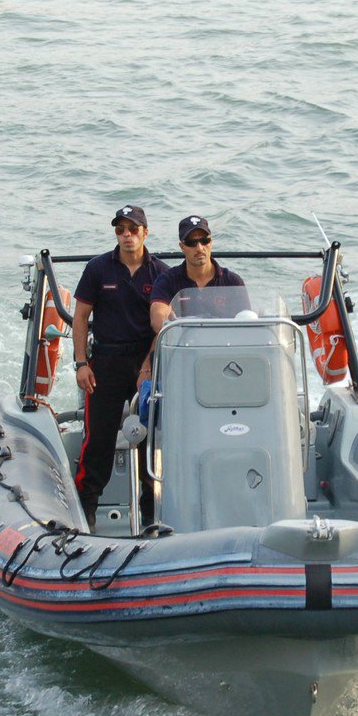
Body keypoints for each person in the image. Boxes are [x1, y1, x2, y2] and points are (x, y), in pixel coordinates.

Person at [72, 205, 168, 520]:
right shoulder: (98, 269)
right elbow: (81, 318)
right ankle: (86, 506)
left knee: (149, 438)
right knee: (98, 439)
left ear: (145, 232)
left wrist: (148, 367)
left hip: (147, 364)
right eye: (120, 229)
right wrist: (81, 363)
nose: (126, 235)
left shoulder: (162, 274)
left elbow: (166, 326)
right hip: (105, 363)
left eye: (133, 229)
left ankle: (151, 511)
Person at [144, 216, 247, 385]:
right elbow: (157, 319)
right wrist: (165, 314)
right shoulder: (168, 279)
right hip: (181, 357)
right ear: (182, 247)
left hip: (224, 358)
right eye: (192, 242)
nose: (199, 247)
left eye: (204, 240)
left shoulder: (232, 282)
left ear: (211, 242)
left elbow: (246, 328)